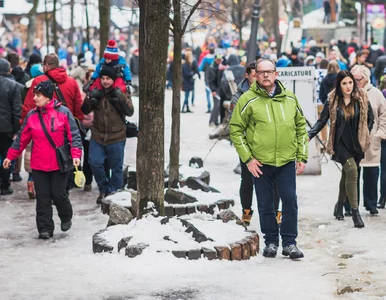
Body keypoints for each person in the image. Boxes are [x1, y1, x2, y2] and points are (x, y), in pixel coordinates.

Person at [230, 59, 308, 259]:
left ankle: (290, 243)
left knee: (289, 202)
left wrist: (302, 156)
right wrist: (248, 159)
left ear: (276, 74)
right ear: (255, 75)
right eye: (261, 72)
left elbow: (301, 127)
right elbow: (236, 130)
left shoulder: (290, 98)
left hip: (286, 161)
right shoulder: (247, 99)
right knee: (265, 204)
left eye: (269, 71)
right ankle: (271, 241)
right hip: (261, 162)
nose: (265, 75)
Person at [3, 80, 82, 239]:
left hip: (59, 163)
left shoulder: (64, 112)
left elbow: (74, 136)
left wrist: (76, 155)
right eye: (35, 95)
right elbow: (22, 139)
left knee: (59, 194)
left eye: (38, 95)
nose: (35, 99)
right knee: (43, 197)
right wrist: (10, 156)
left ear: (47, 97)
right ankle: (45, 228)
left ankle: (66, 215)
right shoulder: (32, 116)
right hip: (39, 164)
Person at [308, 70, 374, 228]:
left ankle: (339, 206)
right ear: (339, 84)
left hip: (356, 143)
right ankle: (355, 212)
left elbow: (370, 117)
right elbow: (322, 120)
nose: (348, 86)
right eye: (344, 83)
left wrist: (366, 133)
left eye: (350, 82)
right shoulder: (332, 99)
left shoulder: (362, 96)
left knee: (346, 174)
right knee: (352, 171)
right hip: (340, 144)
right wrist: (309, 135)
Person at [81, 66, 134, 204]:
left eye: (108, 78)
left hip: (117, 136)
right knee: (94, 162)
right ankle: (104, 188)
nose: (105, 81)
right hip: (98, 135)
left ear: (113, 79)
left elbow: (130, 111)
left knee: (116, 168)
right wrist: (90, 98)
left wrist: (120, 96)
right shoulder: (96, 90)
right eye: (103, 78)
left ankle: (114, 194)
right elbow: (84, 110)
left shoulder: (122, 90)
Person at [350, 65, 386, 214]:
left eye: (356, 79)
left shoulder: (377, 94)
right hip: (352, 141)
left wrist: (380, 133)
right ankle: (351, 206)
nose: (353, 83)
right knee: (352, 174)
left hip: (372, 141)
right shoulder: (348, 92)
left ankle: (371, 205)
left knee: (371, 174)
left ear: (365, 78)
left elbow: (384, 115)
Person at [229, 62, 256, 225]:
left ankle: (275, 213)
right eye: (254, 74)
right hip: (246, 143)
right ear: (247, 75)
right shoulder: (239, 96)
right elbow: (235, 122)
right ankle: (246, 211)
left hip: (265, 143)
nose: (257, 77)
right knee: (247, 179)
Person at [0, 58, 22, 195]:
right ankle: (5, 185)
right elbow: (16, 111)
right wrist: (16, 130)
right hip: (7, 128)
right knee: (6, 156)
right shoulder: (13, 86)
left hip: (6, 126)